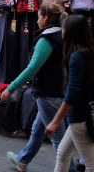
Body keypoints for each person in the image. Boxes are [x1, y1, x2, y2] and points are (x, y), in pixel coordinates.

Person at [0, 3, 75, 172]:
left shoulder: (46, 39)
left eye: (39, 16)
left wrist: (10, 88)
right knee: (38, 130)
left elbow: (32, 69)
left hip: (48, 94)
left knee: (59, 139)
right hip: (59, 92)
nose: (38, 20)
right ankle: (22, 160)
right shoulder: (62, 35)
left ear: (45, 18)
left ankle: (70, 170)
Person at [45, 15, 94, 171]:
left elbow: (73, 92)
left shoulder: (76, 56)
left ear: (70, 31)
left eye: (64, 28)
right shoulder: (88, 52)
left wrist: (55, 121)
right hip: (85, 114)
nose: (62, 31)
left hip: (80, 117)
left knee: (91, 165)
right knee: (63, 154)